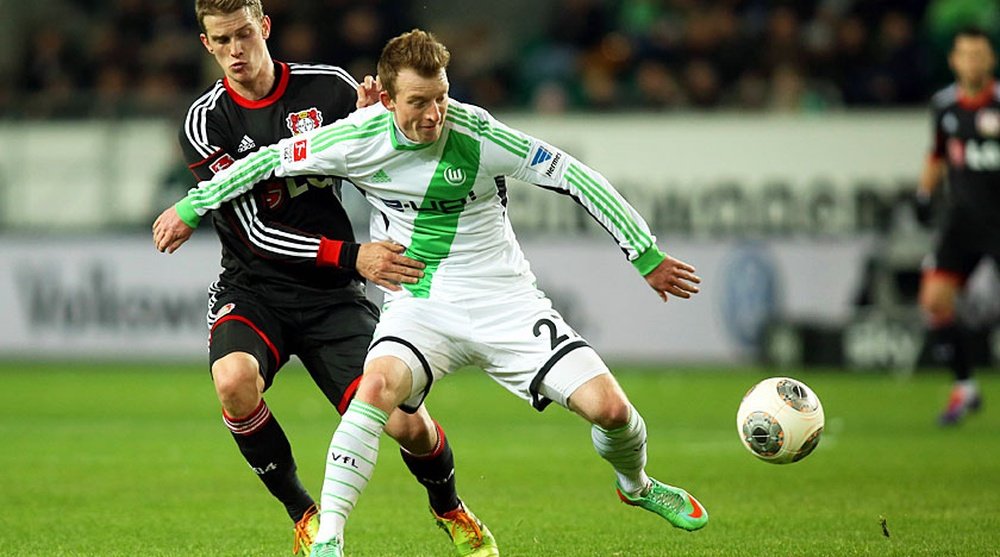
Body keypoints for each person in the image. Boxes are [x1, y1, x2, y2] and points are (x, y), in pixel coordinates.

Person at [154, 28, 708, 557]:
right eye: (418, 101)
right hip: (420, 304)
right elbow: (263, 163)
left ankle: (635, 485)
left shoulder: (476, 133)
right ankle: (329, 536)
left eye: (440, 97)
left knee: (611, 411)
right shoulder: (354, 138)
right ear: (388, 100)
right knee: (374, 393)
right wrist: (189, 206)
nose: (433, 114)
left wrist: (645, 253)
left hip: (506, 303)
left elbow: (573, 175)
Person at [152, 5, 497, 556]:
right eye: (223, 40)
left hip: (332, 296)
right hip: (254, 287)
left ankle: (449, 505)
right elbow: (256, 230)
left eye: (244, 33)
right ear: (207, 44)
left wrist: (367, 127)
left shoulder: (329, 89)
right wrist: (354, 255)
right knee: (234, 382)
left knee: (407, 425)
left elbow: (380, 154)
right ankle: (303, 513)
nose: (237, 49)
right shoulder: (206, 122)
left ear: (263, 28)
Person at [917, 26, 998, 425]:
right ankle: (965, 388)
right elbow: (937, 155)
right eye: (965, 54)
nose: (973, 61)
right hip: (963, 221)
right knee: (934, 299)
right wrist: (923, 192)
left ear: (991, 60)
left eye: (979, 54)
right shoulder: (944, 105)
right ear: (954, 60)